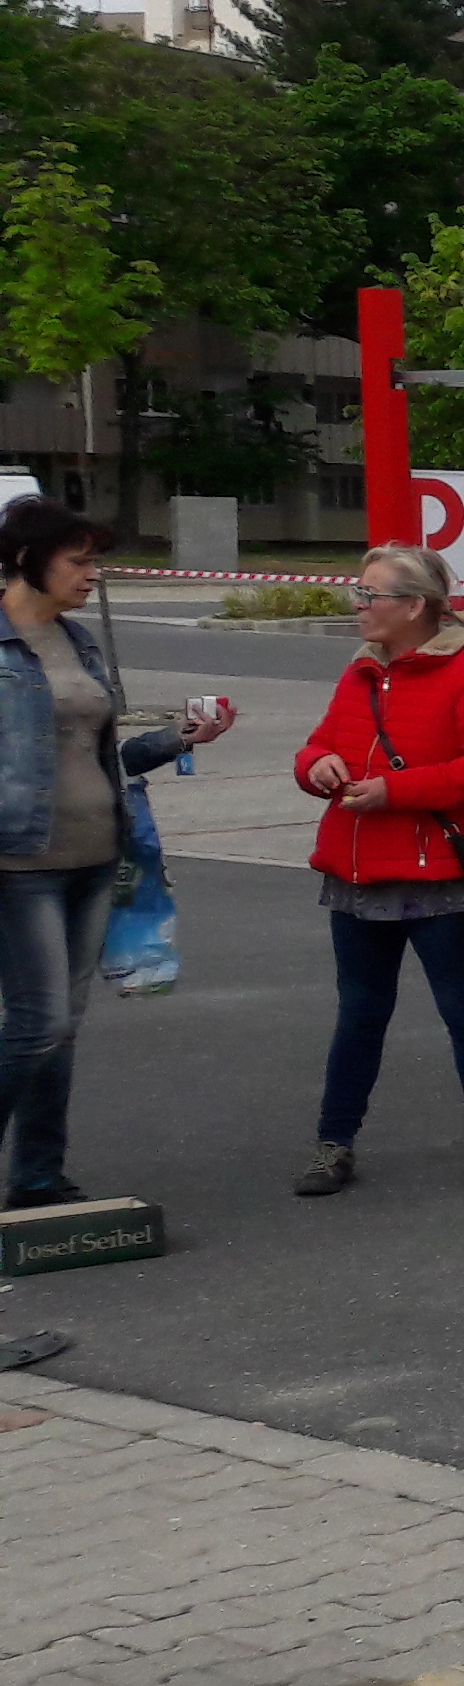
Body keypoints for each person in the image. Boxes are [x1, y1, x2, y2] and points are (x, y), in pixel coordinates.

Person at [0, 498, 229, 1207]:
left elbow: (103, 756)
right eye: (78, 561)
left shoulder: (78, 643)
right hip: (20, 864)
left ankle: (38, 1178)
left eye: (95, 560)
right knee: (38, 1023)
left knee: (61, 1029)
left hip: (96, 857)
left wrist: (177, 740)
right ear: (25, 561)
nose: (92, 574)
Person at [292, 544, 464, 1194]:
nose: (358, 605)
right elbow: (319, 744)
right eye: (358, 593)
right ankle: (333, 1143)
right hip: (356, 873)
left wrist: (396, 791)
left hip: (438, 877)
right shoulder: (360, 672)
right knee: (359, 1015)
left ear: (416, 606)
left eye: (371, 595)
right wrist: (314, 766)